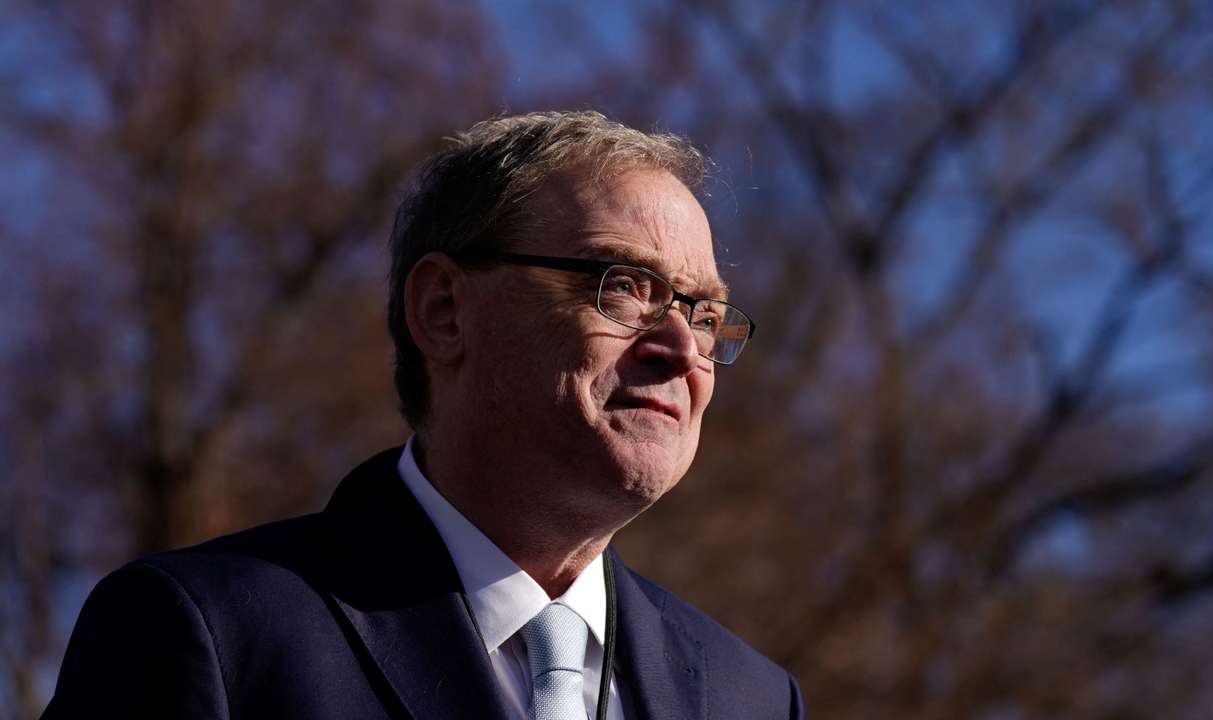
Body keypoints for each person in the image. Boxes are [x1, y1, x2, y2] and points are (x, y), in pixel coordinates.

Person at [44, 111, 803, 719]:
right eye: (626, 286)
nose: (681, 347)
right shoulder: (210, 636)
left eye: (705, 313)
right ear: (443, 311)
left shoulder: (754, 698)